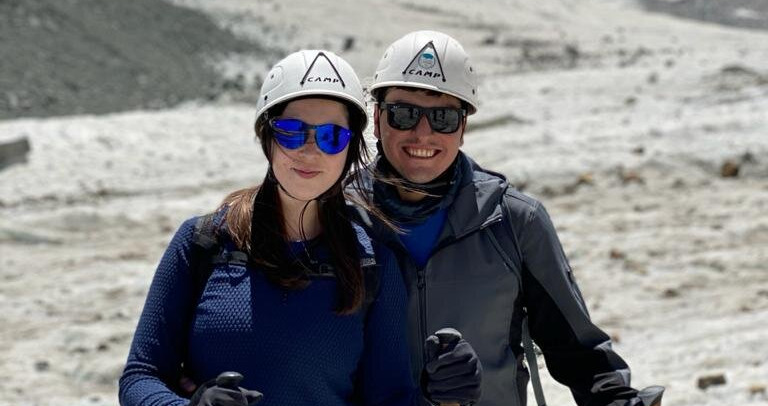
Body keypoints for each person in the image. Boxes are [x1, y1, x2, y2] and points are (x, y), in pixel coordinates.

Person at [119, 48, 482, 406]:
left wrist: (444, 397)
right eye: (292, 132)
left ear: (351, 147)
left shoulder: (373, 264)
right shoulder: (203, 242)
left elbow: (389, 398)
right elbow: (140, 377)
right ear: (267, 136)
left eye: (331, 137)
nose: (310, 151)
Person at [358, 30, 662, 406]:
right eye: (404, 114)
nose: (423, 133)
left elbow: (577, 351)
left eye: (443, 117)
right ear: (376, 117)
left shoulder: (516, 222)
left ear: (463, 128)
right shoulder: (339, 216)